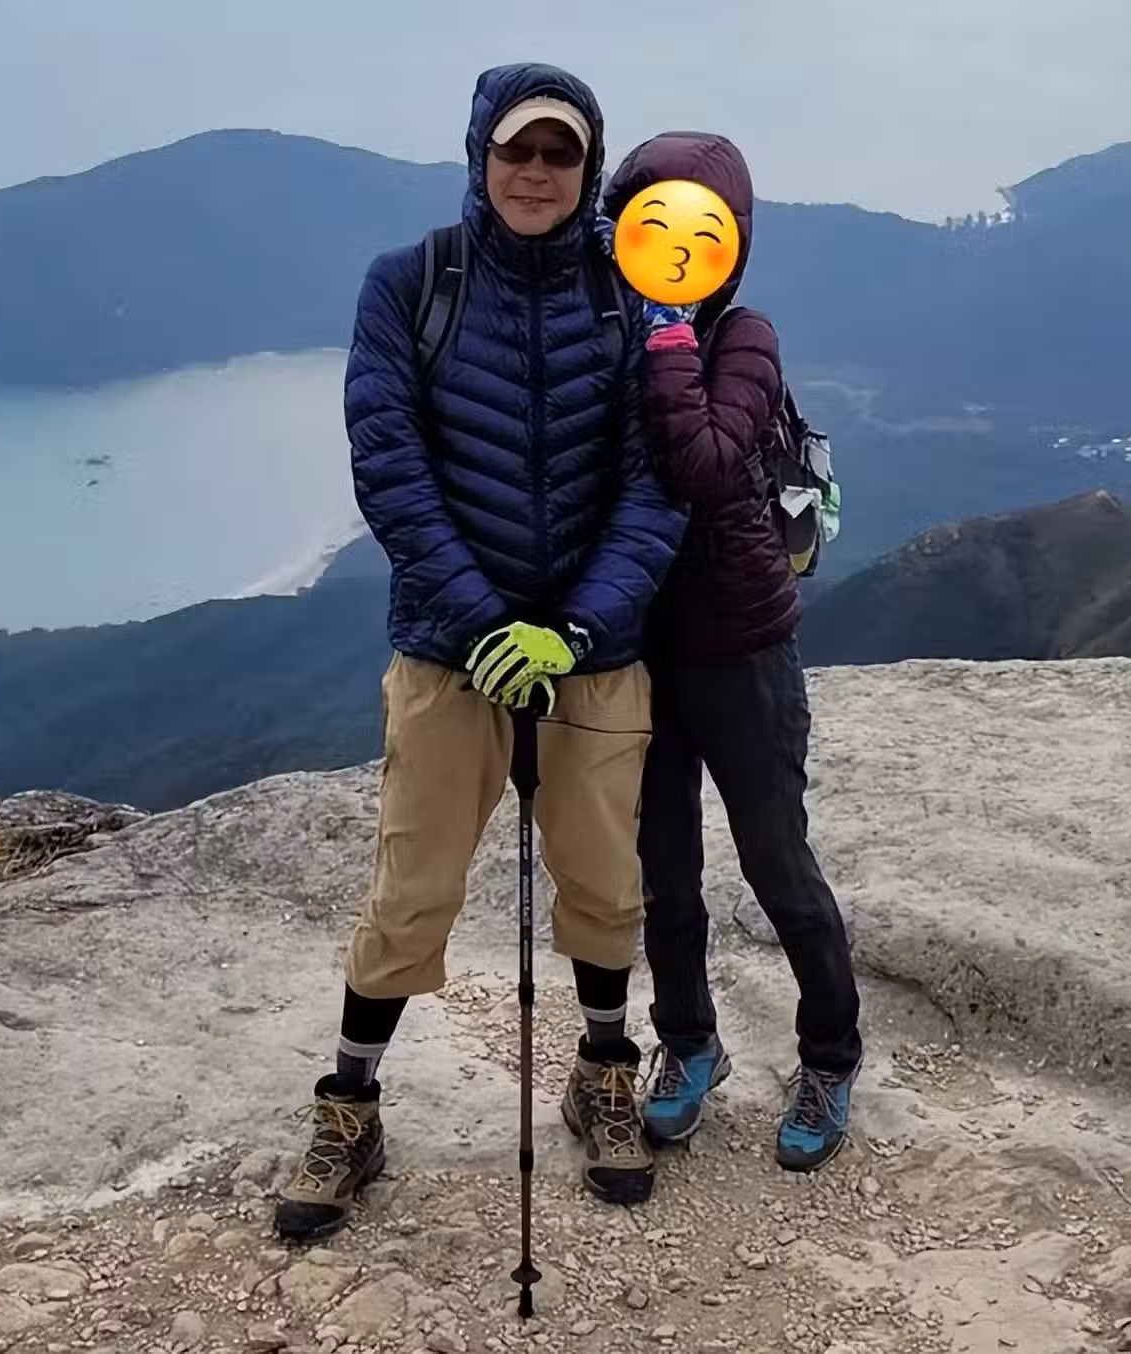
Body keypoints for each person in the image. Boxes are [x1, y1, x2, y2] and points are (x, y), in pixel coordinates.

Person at [273, 65, 688, 1244]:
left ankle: (602, 1074)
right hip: (448, 653)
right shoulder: (412, 282)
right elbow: (388, 464)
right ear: (479, 153)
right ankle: (349, 1106)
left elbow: (656, 485)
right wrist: (481, 624)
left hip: (591, 652)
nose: (537, 173)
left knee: (603, 883)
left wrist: (572, 628)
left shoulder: (630, 292)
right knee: (411, 889)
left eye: (561, 153)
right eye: (518, 150)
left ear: (588, 166)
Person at [601, 132, 864, 1172]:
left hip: (743, 649)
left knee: (776, 864)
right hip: (639, 655)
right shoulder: (608, 329)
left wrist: (668, 337)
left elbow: (707, 464)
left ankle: (830, 1055)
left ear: (729, 244)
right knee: (664, 876)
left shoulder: (742, 336)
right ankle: (689, 1044)